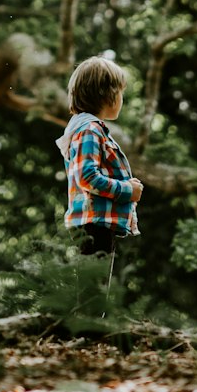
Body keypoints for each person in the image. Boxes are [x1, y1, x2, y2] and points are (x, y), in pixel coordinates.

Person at [55, 55, 144, 257]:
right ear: (108, 94)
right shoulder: (89, 130)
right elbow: (87, 178)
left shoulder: (87, 128)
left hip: (96, 223)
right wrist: (127, 190)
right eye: (121, 92)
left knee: (95, 285)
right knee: (94, 287)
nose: (122, 99)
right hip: (94, 223)